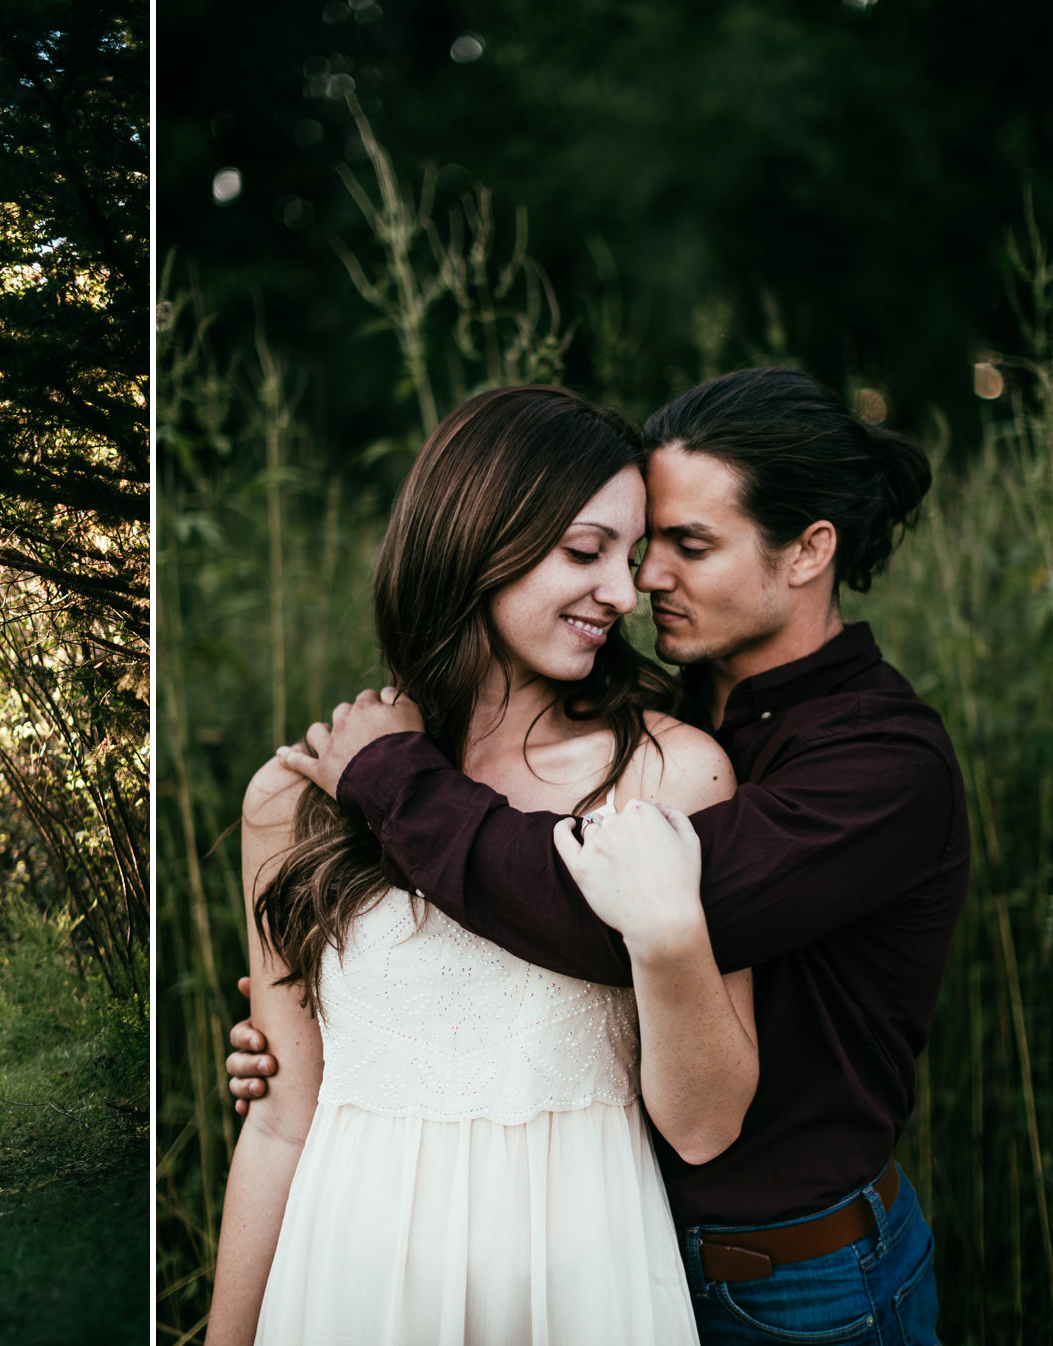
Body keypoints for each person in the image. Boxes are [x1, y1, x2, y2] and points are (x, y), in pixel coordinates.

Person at [234, 368, 967, 1344]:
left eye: (684, 545)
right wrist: (327, 1031)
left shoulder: (866, 765)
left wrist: (394, 778)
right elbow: (313, 1090)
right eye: (622, 545)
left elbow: (579, 906)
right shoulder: (682, 703)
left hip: (793, 1273)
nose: (638, 584)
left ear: (808, 552)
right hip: (386, 1271)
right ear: (475, 537)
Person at [208, 385, 757, 1346]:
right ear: (473, 540)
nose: (624, 595)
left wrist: (670, 936)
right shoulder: (295, 801)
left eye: (628, 563)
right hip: (346, 1280)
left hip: (584, 1283)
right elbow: (283, 1122)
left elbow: (706, 1123)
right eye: (585, 553)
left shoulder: (671, 774)